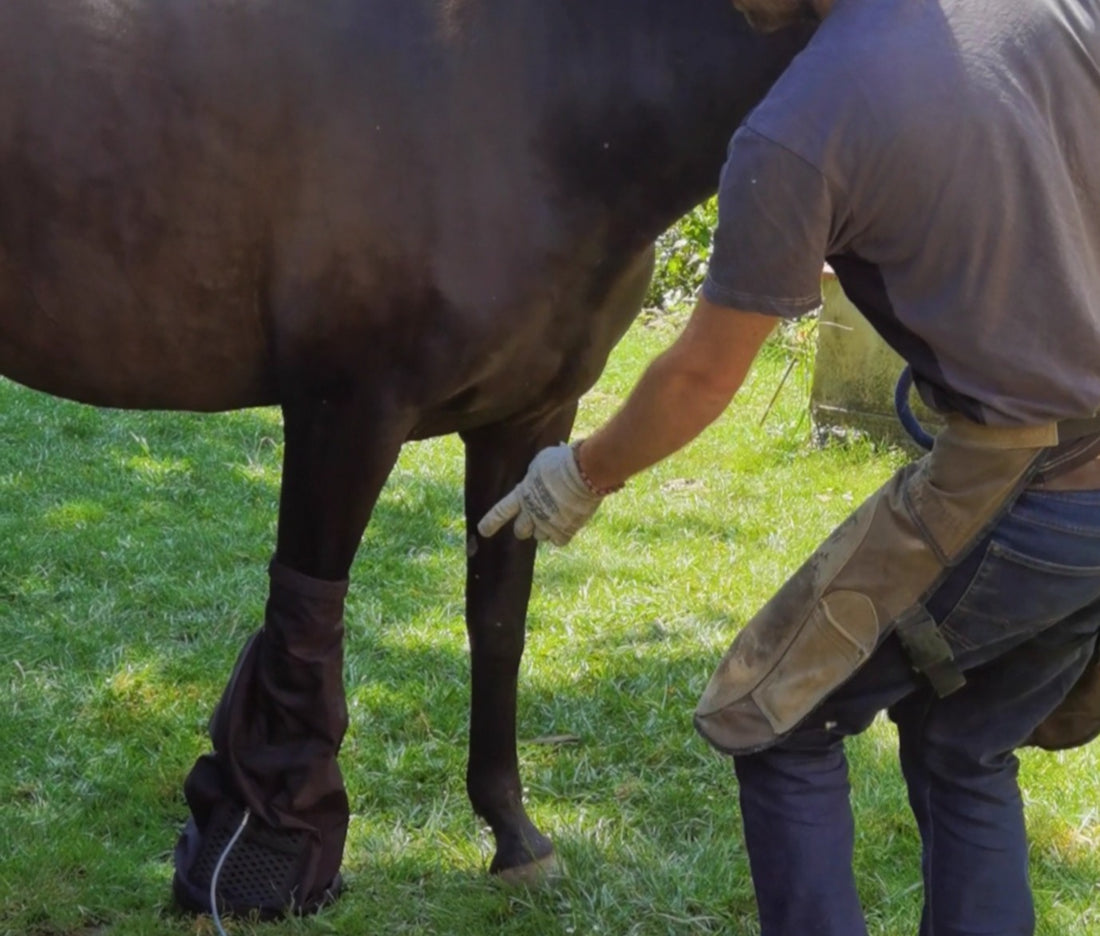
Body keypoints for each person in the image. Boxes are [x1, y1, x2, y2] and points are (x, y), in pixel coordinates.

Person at [477, 1, 1100, 934]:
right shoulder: (1050, 9)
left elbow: (699, 375)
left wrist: (580, 473)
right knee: (964, 740)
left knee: (772, 713)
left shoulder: (801, 124)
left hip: (1023, 484)